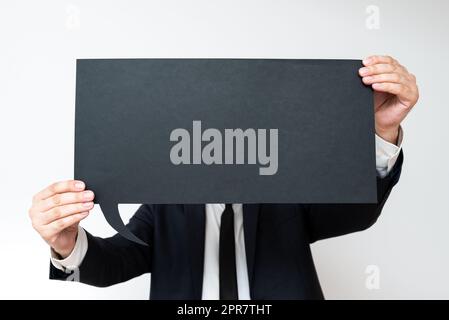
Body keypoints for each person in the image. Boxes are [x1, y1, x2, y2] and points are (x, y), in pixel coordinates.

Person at [28, 55, 419, 299]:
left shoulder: (288, 191)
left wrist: (380, 133)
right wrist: (67, 244)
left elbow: (359, 211)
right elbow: (113, 263)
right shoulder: (164, 207)